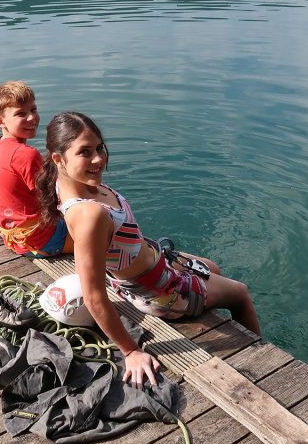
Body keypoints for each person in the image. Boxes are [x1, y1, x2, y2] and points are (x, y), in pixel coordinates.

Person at [34, 112, 261, 389]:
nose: (98, 159)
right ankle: (260, 359)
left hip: (156, 265)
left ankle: (209, 300)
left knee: (211, 267)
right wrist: (131, 351)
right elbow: (93, 296)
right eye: (85, 152)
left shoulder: (70, 182)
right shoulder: (88, 216)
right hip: (161, 292)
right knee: (240, 293)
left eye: (99, 148)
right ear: (59, 159)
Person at [0, 81, 72, 257]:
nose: (32, 118)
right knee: (106, 231)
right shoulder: (26, 155)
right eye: (20, 114)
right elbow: (54, 199)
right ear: (0, 121)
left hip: (14, 238)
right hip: (40, 240)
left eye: (33, 109)